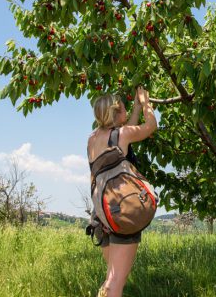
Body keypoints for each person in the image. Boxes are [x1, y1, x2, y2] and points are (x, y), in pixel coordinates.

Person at [87, 87, 157, 297]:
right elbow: (150, 126)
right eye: (125, 108)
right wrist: (146, 104)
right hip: (122, 211)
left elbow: (123, 133)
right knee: (115, 283)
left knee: (111, 277)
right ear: (116, 113)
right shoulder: (122, 135)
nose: (127, 111)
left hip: (102, 214)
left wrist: (135, 108)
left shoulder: (92, 139)